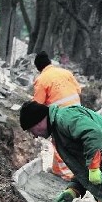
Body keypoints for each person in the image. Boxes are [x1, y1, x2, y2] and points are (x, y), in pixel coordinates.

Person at [33, 51, 82, 181]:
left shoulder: (42, 79)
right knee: (72, 140)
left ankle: (68, 174)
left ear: (38, 68)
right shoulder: (66, 72)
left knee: (61, 142)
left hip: (61, 114)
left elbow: (37, 104)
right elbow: (78, 90)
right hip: (78, 111)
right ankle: (57, 170)